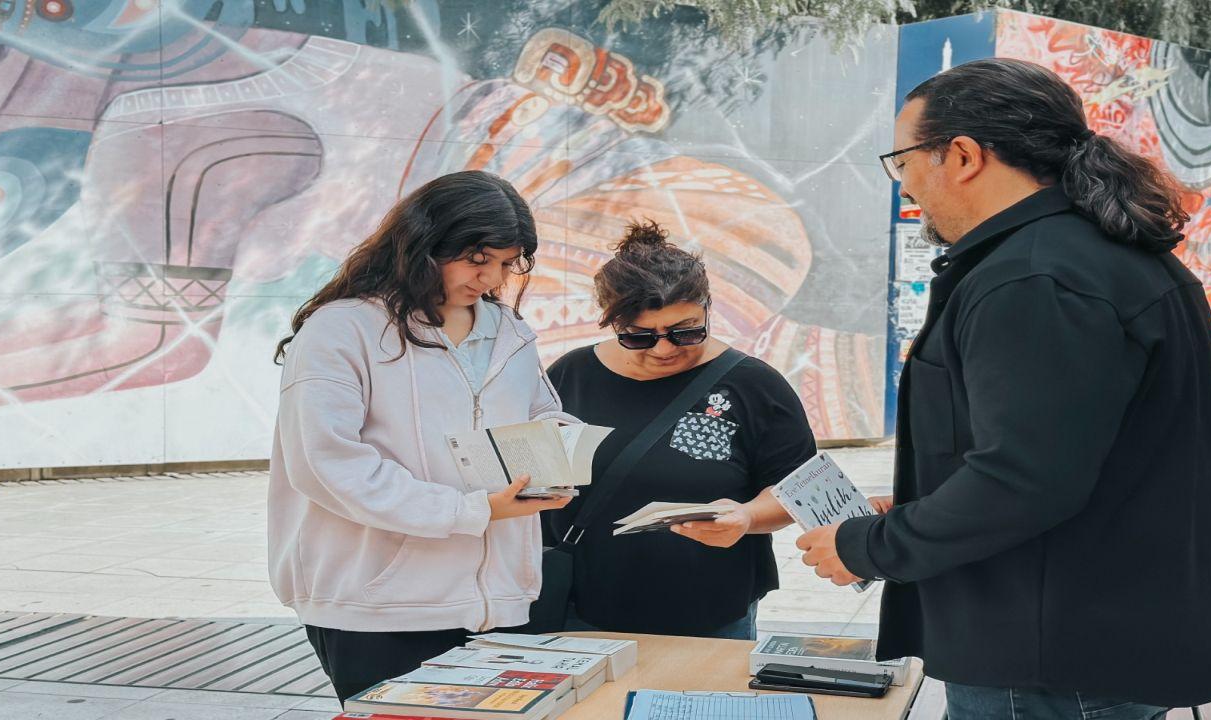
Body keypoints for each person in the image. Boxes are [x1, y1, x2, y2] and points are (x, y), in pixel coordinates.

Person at [797, 58, 1211, 718]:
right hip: (1091, 641)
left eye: (904, 160)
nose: (906, 186)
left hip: (1048, 665)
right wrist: (926, 496)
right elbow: (1071, 452)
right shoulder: (1093, 257)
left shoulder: (1034, 279)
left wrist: (866, 546)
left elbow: (1023, 480)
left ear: (963, 156)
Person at [268, 170, 575, 704]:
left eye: (505, 263)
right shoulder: (343, 329)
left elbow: (542, 414)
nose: (491, 278)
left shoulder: (508, 330)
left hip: (498, 600)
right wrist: (470, 511)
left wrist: (561, 453)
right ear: (424, 243)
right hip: (379, 605)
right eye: (478, 259)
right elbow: (327, 464)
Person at [543, 220, 817, 640]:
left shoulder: (754, 386)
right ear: (611, 321)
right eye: (639, 337)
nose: (665, 348)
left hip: (710, 612)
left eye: (686, 331)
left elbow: (796, 491)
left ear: (708, 306)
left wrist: (745, 516)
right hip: (580, 608)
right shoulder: (570, 375)